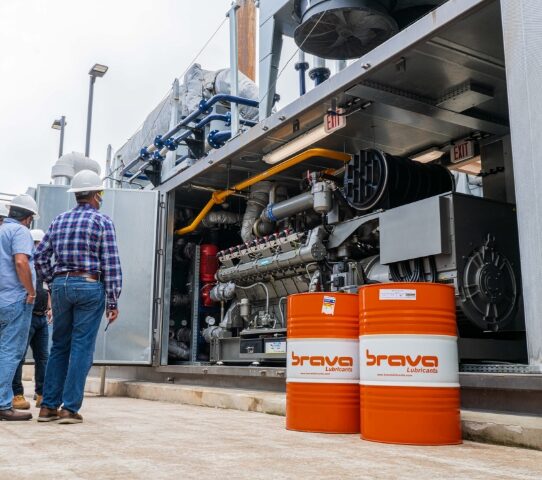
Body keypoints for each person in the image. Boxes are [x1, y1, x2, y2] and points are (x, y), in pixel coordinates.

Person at [35, 170, 122, 424]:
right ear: (96, 195)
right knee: (82, 346)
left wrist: (53, 280)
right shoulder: (102, 221)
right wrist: (113, 300)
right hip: (89, 284)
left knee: (59, 345)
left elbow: (39, 257)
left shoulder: (58, 221)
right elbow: (111, 263)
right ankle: (69, 408)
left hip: (61, 284)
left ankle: (48, 406)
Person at [0, 194, 39, 421]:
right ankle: (3, 404)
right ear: (28, 218)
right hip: (15, 299)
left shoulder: (1, 230)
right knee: (10, 351)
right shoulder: (20, 232)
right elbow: (21, 261)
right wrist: (31, 291)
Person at [12, 229, 52, 410]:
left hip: (41, 318)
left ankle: (41, 393)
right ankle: (17, 394)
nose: (38, 248)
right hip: (25, 316)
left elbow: (47, 288)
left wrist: (49, 306)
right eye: (36, 244)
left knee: (43, 357)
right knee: (18, 356)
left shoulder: (43, 268)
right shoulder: (23, 266)